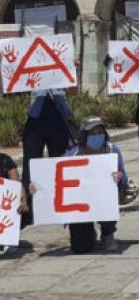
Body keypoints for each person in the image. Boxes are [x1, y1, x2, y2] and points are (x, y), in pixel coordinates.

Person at [62, 116, 127, 254]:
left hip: (104, 199)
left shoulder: (112, 150)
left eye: (100, 132)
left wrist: (119, 178)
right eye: (92, 134)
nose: (97, 136)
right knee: (80, 247)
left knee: (108, 198)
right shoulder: (71, 155)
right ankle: (88, 232)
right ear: (84, 135)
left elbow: (123, 179)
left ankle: (108, 233)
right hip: (80, 203)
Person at [21, 88, 76, 223]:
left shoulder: (59, 79)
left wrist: (55, 91)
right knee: (30, 164)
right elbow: (32, 110)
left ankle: (59, 203)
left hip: (57, 120)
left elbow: (66, 107)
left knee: (58, 165)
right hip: (35, 121)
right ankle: (27, 207)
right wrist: (42, 91)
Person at [0, 152, 29, 255]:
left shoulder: (4, 159)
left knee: (28, 209)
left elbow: (16, 183)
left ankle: (9, 237)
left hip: (4, 203)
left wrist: (24, 201)